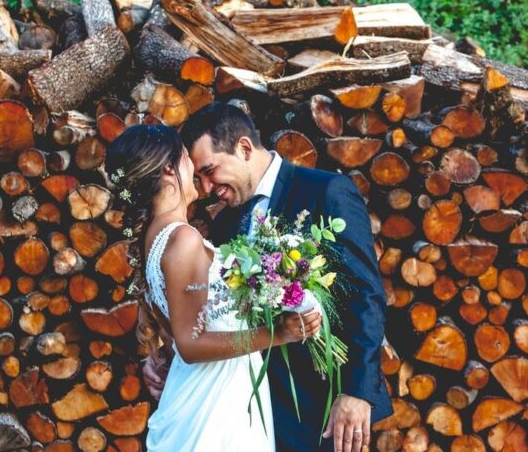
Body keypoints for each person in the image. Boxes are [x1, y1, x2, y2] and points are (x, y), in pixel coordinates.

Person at [144, 102, 393, 452]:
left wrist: (356, 392)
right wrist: (164, 353)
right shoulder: (225, 222)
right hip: (248, 409)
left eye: (210, 170)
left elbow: (366, 295)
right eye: (198, 176)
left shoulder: (326, 192)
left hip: (323, 405)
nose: (205, 186)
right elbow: (209, 310)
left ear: (244, 148)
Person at [104, 124, 322, 452]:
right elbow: (191, 345)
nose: (192, 167)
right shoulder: (182, 239)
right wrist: (280, 333)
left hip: (211, 394)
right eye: (185, 158)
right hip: (213, 407)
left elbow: (176, 334)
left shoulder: (153, 238)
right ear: (168, 169)